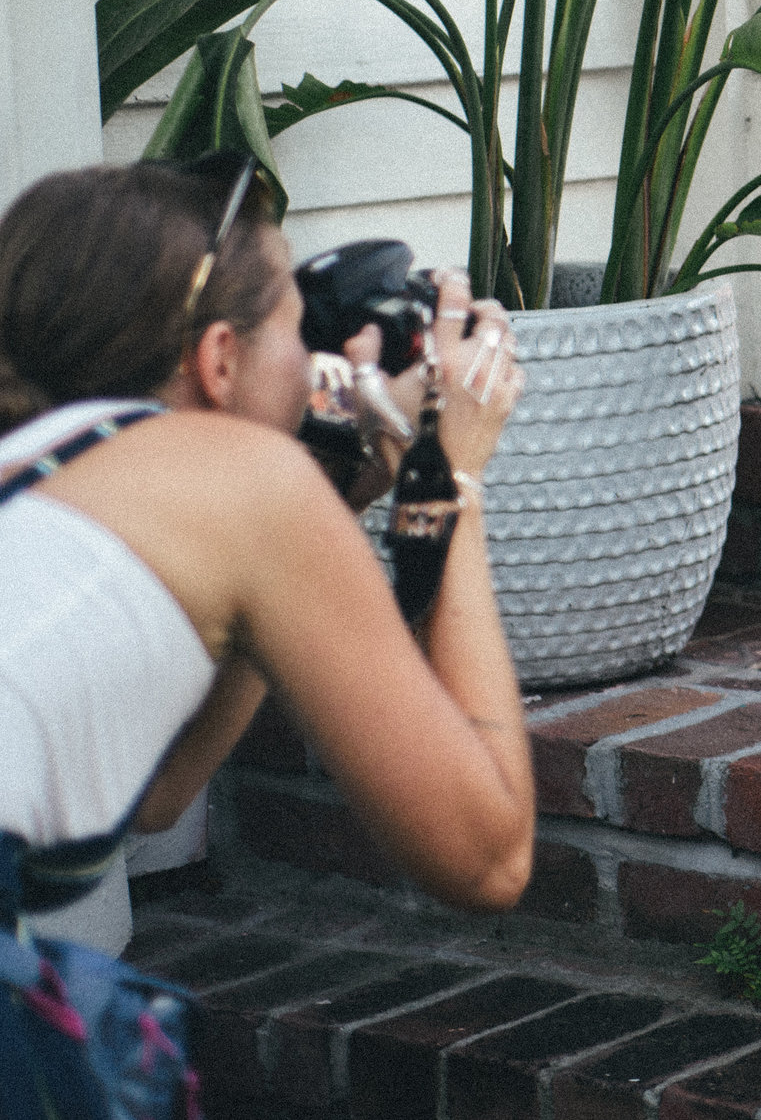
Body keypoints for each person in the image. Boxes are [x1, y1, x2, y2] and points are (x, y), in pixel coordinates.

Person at [0, 156, 537, 938]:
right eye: (296, 325)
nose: (318, 353)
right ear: (219, 359)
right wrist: (448, 473)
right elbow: (488, 859)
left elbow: (158, 792)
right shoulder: (249, 482)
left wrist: (327, 489)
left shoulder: (39, 466)